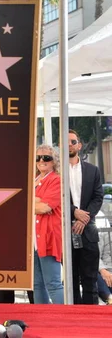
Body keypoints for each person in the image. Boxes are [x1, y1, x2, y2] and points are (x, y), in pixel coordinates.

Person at [69, 129, 104, 304]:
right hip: (65, 230)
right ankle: (72, 320)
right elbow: (55, 199)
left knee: (90, 278)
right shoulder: (57, 173)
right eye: (66, 142)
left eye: (73, 142)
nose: (69, 145)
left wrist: (84, 218)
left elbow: (98, 197)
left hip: (88, 231)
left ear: (79, 145)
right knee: (71, 279)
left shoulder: (93, 170)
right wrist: (73, 211)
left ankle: (92, 317)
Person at [33, 144, 64, 304]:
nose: (41, 161)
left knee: (53, 283)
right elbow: (37, 205)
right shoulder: (34, 179)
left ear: (54, 161)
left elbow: (45, 207)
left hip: (48, 236)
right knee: (37, 284)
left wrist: (31, 203)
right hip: (33, 240)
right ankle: (42, 318)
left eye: (46, 157)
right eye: (38, 157)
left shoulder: (57, 180)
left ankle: (64, 319)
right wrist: (36, 202)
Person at [95, 211, 112, 304]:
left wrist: (109, 272)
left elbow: (107, 254)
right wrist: (103, 270)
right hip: (94, 268)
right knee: (92, 273)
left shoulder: (103, 218)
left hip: (106, 270)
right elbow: (92, 255)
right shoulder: (100, 218)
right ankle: (109, 299)